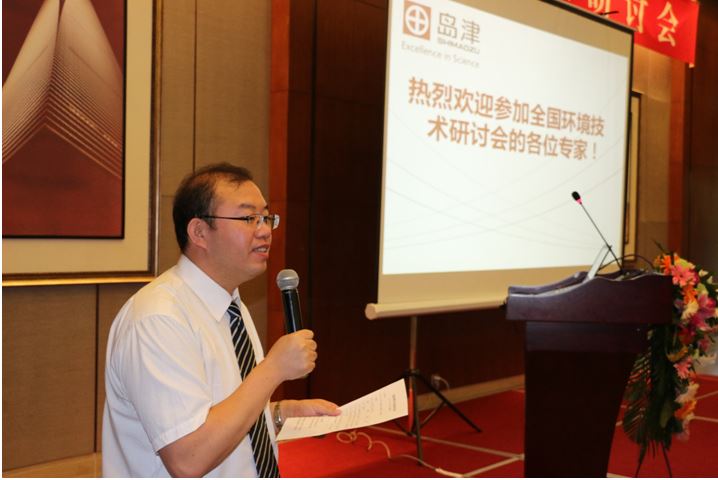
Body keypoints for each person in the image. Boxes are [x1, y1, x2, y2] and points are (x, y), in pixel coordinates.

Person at [102, 163, 339, 477]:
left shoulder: (230, 306)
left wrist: (282, 414)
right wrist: (273, 368)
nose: (265, 230)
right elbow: (188, 458)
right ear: (199, 232)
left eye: (266, 217)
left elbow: (217, 416)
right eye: (248, 218)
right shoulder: (158, 319)